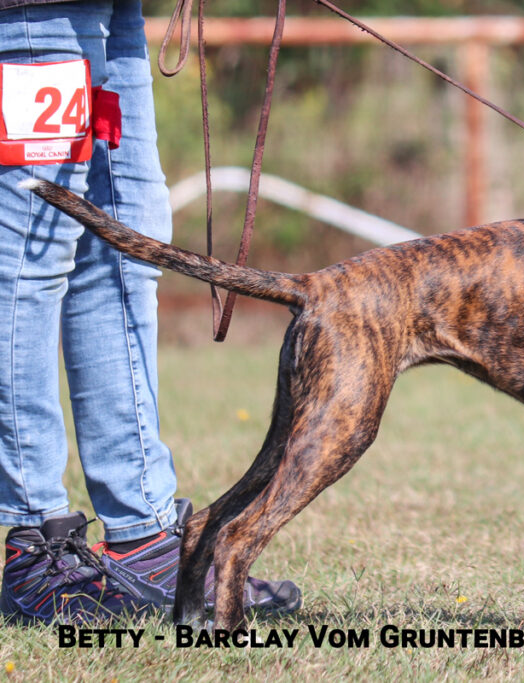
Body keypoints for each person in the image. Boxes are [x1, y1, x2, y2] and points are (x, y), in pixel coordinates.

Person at [0, 0, 300, 622]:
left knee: (126, 248)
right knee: (29, 252)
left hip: (114, 12)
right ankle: (29, 544)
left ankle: (143, 536)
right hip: (34, 12)